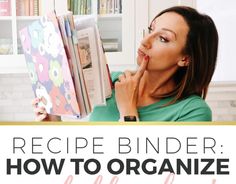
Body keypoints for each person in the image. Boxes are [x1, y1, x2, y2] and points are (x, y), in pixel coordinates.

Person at [34, 6, 218, 122]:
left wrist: (128, 110)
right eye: (151, 29)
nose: (146, 41)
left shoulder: (193, 112)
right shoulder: (111, 81)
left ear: (185, 58)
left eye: (162, 38)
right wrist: (53, 122)